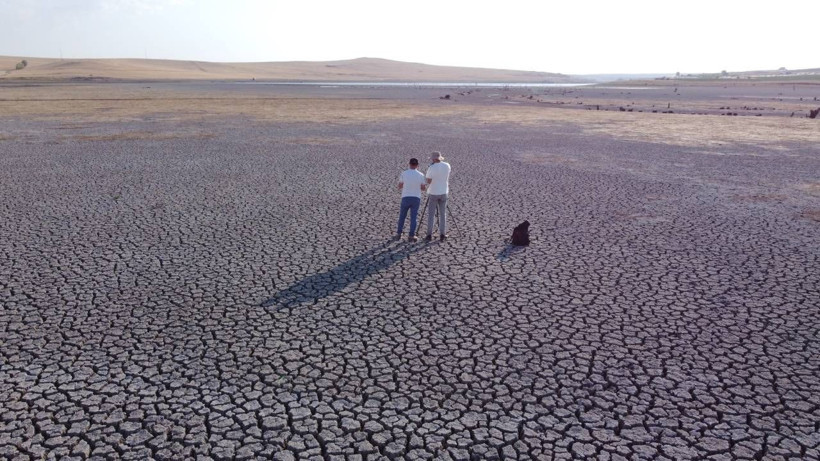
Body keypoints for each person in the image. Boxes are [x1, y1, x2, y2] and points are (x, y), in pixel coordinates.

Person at [395, 158, 426, 242]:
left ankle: (399, 233)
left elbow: (400, 186)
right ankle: (411, 235)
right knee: (413, 217)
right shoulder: (421, 175)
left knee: (402, 216)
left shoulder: (404, 173)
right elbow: (423, 188)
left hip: (405, 197)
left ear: (409, 164)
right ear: (417, 165)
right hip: (416, 198)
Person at [425, 151, 451, 241]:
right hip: (444, 192)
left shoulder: (431, 167)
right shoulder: (447, 165)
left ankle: (429, 235)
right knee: (443, 214)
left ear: (433, 159)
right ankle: (442, 234)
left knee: (431, 215)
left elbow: (428, 181)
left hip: (433, 192)